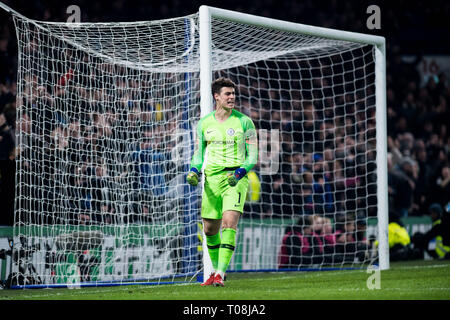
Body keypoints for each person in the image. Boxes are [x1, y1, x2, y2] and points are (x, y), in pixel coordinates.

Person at [186, 77, 258, 287]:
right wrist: (193, 171)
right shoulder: (204, 123)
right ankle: (215, 272)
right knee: (209, 230)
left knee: (229, 223)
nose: (232, 97)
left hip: (235, 179)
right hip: (212, 180)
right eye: (227, 94)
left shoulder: (245, 122)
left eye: (233, 93)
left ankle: (220, 273)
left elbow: (252, 157)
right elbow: (198, 155)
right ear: (216, 97)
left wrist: (239, 174)